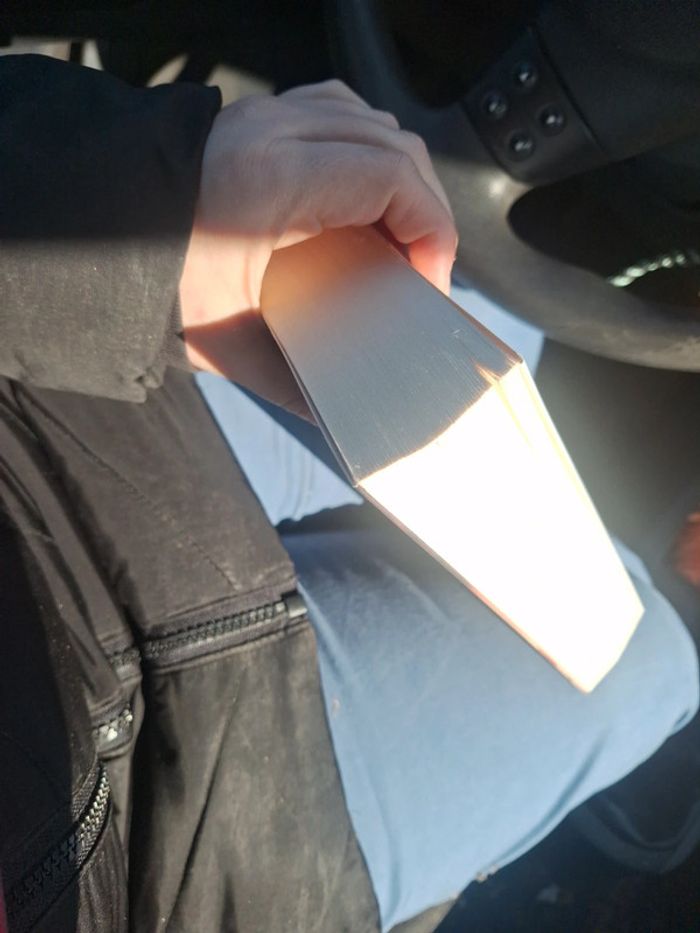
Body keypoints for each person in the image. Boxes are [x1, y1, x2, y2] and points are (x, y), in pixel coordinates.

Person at [0, 52, 697, 933]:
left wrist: (137, 208)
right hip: (165, 841)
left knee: (484, 318)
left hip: (45, 436)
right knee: (652, 662)